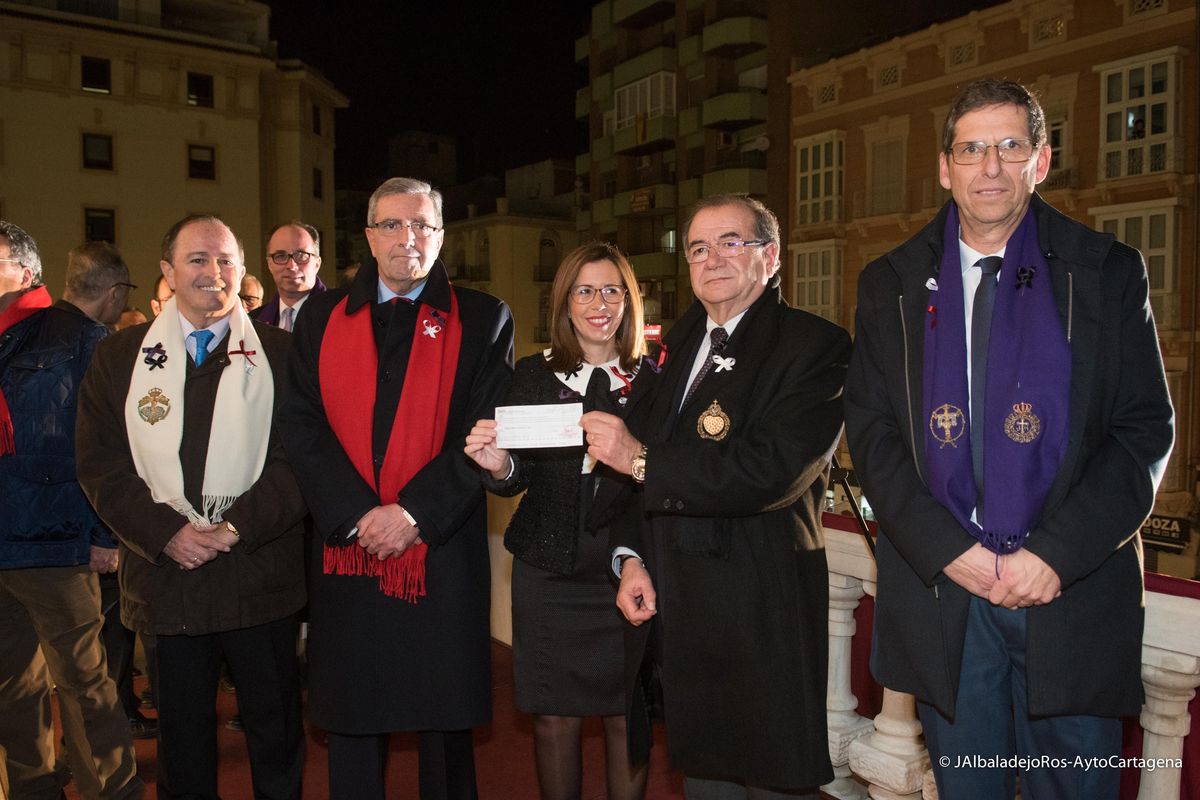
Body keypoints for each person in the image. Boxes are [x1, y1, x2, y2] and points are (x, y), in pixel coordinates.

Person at [843, 79, 1175, 800]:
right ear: (944, 167)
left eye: (1009, 146)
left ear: (1041, 160)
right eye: (971, 149)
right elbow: (872, 438)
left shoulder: (1107, 272)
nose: (989, 166)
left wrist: (1052, 556)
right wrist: (950, 553)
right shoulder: (889, 284)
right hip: (947, 598)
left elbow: (1143, 431)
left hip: (1070, 592)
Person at [582, 194, 848, 798]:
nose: (712, 259)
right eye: (698, 248)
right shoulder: (677, 342)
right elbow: (630, 462)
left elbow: (773, 471)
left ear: (771, 256)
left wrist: (643, 460)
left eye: (732, 242)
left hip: (760, 609)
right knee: (705, 783)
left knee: (771, 783)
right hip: (682, 614)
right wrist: (629, 559)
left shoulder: (815, 346)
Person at [280, 177, 514, 800]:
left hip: (438, 551)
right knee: (354, 722)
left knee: (444, 728)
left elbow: (484, 429)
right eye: (392, 225)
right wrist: (358, 516)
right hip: (349, 549)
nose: (407, 239)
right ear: (367, 235)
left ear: (441, 237)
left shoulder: (485, 317)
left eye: (423, 226)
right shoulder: (321, 318)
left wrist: (411, 513)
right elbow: (299, 425)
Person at [76, 214, 308, 800]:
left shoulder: (283, 355)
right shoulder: (120, 358)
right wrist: (166, 533)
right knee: (181, 748)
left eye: (227, 260)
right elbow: (101, 464)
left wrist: (235, 528)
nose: (214, 272)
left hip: (259, 578)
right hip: (166, 582)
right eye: (198, 260)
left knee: (275, 737)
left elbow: (302, 460)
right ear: (167, 272)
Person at [464, 242, 653, 800]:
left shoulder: (653, 381)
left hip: (630, 567)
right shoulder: (530, 374)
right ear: (565, 302)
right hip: (548, 572)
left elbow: (666, 477)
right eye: (585, 290)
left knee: (627, 715)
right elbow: (515, 474)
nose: (599, 303)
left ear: (629, 301)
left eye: (611, 290)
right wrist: (497, 465)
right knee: (553, 720)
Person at [0, 224, 143, 800]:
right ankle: (31, 791)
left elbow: (105, 444)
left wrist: (105, 532)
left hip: (55, 540)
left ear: (26, 273)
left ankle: (112, 792)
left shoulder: (78, 338)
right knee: (12, 689)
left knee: (85, 686)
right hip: (7, 542)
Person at [253, 221, 327, 331]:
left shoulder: (338, 314)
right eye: (280, 256)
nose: (291, 266)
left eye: (301, 255)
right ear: (269, 264)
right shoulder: (254, 322)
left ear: (317, 263)